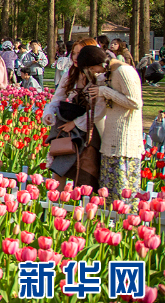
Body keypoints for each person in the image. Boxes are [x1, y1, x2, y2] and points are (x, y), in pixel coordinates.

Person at [85, 45, 143, 207]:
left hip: (125, 142)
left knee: (123, 198)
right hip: (110, 141)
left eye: (92, 67)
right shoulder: (110, 73)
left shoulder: (125, 72)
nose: (94, 71)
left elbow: (135, 102)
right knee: (108, 199)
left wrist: (105, 91)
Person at [41, 38, 99, 188]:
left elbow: (100, 109)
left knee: (83, 170)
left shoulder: (99, 78)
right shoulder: (70, 74)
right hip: (68, 127)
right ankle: (56, 205)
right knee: (60, 167)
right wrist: (49, 112)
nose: (74, 57)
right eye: (73, 53)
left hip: (91, 128)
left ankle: (78, 206)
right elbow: (58, 97)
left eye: (79, 53)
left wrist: (76, 124)